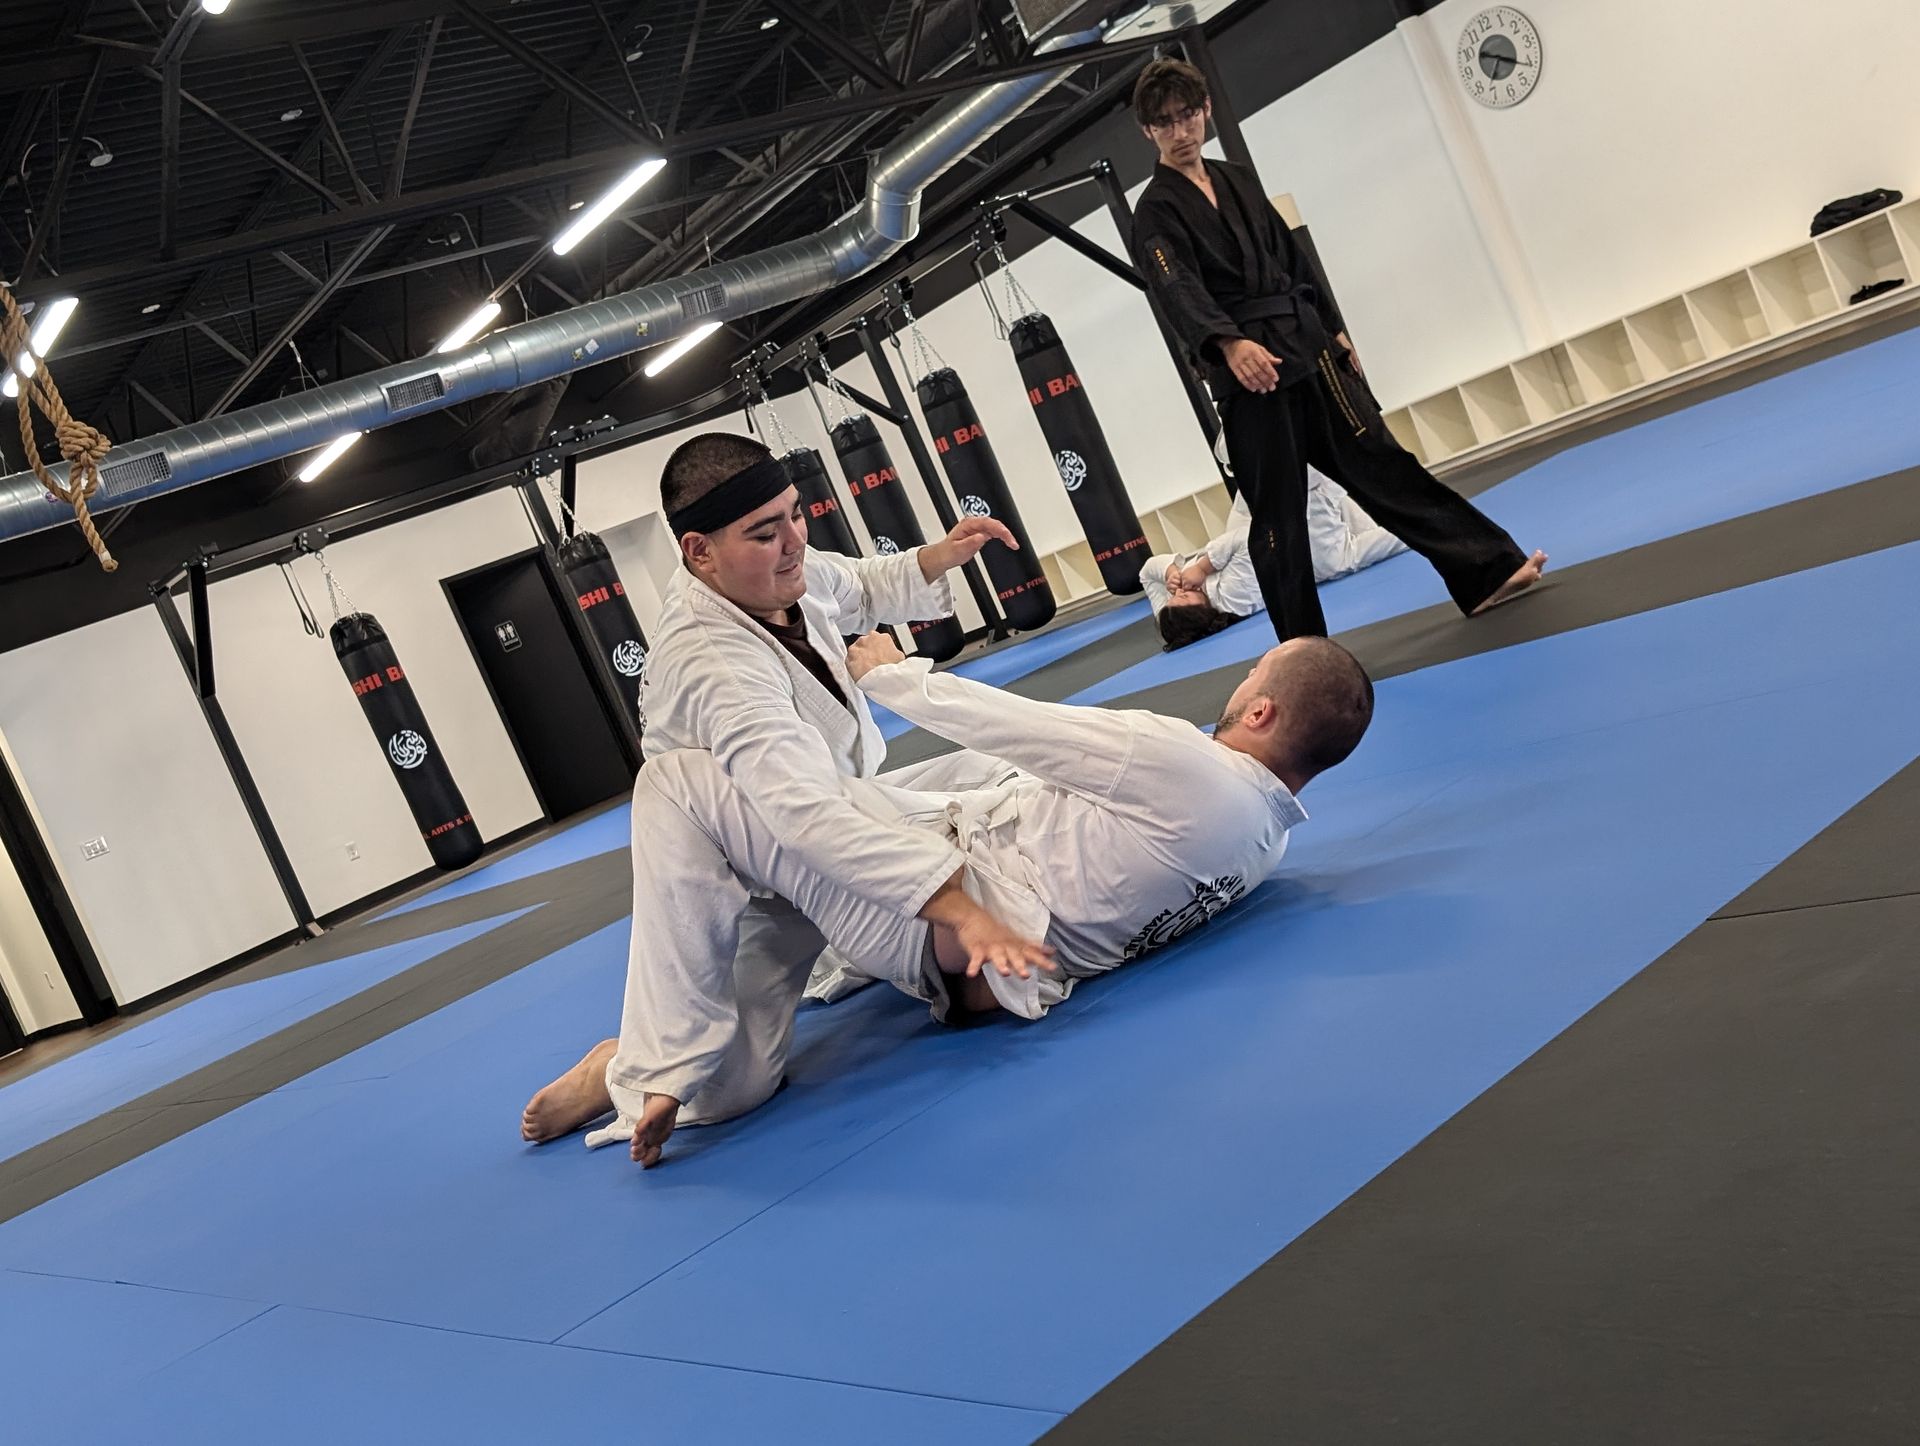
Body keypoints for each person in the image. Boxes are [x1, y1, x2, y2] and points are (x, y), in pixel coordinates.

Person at [544, 628, 1371, 1168]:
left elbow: (1024, 724)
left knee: (685, 780)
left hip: (939, 912)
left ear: (1260, 709)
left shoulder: (1187, 766)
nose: (1243, 672)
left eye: (1254, 670)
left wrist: (894, 680)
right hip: (998, 959)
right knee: (805, 847)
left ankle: (645, 1059)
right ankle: (696, 1067)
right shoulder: (1267, 837)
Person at [521, 432, 1036, 1147]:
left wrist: (935, 557)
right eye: (766, 532)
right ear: (699, 552)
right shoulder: (713, 662)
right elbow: (802, 816)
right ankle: (615, 1069)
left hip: (841, 805)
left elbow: (854, 586)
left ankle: (857, 938)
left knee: (1009, 772)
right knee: (732, 1090)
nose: (794, 540)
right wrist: (957, 908)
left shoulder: (778, 568)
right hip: (761, 858)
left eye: (796, 513)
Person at [1126, 57, 1547, 644]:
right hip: (1252, 375)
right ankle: (1305, 651)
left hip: (1306, 347)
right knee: (1277, 519)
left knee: (1385, 466)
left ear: (1206, 112)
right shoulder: (1155, 212)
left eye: (1188, 115)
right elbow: (1176, 288)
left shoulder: (1238, 179)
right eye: (1165, 122)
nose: (1180, 131)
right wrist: (1227, 341)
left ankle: (1486, 572)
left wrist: (1334, 327)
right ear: (1148, 131)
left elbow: (1289, 258)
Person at [1141, 473, 1406, 650]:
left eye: (1174, 596)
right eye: (1185, 598)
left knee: (1264, 466)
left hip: (1260, 511)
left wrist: (1170, 571)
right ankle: (1420, 527)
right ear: (1202, 614)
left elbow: (1146, 572)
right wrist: (1201, 567)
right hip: (1283, 536)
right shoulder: (1234, 599)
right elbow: (1251, 539)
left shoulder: (1172, 611)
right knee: (1341, 561)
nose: (1180, 592)